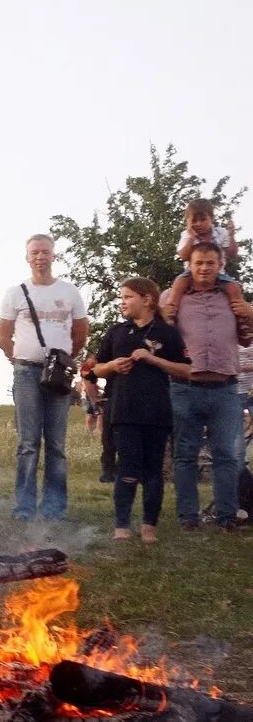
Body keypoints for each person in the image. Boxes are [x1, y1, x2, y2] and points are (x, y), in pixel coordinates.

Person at [92, 278, 191, 543]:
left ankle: (149, 525)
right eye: (121, 298)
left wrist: (152, 358)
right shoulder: (116, 332)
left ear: (147, 299)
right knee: (127, 468)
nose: (122, 302)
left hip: (156, 412)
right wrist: (113, 366)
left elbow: (186, 370)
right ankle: (121, 525)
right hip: (123, 412)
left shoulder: (167, 332)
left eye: (127, 297)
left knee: (152, 471)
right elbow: (96, 368)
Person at [0, 234, 87, 522]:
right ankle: (24, 508)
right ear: (27, 257)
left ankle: (54, 509)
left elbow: (81, 334)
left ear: (54, 256)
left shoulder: (70, 292)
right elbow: (3, 336)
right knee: (28, 443)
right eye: (35, 252)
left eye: (45, 252)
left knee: (57, 444)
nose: (40, 257)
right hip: (26, 372)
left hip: (58, 374)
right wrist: (20, 360)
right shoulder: (15, 293)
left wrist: (62, 362)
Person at [169, 242, 253, 532]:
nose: (204, 268)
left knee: (226, 456)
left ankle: (227, 516)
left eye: (210, 263)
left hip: (226, 389)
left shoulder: (234, 298)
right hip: (185, 387)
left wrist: (250, 313)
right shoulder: (175, 298)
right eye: (198, 263)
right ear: (189, 266)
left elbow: (246, 339)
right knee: (185, 455)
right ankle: (188, 516)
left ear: (220, 266)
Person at [162, 199, 246, 332]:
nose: (198, 224)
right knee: (178, 283)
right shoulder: (186, 235)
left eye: (203, 219)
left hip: (219, 273)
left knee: (234, 287)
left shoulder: (221, 232)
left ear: (211, 218)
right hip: (191, 273)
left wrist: (231, 235)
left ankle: (242, 321)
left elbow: (232, 253)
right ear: (188, 222)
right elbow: (183, 256)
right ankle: (170, 313)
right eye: (194, 221)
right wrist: (191, 237)